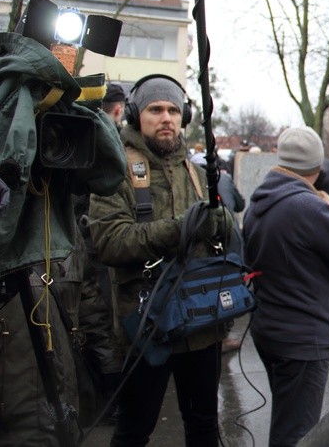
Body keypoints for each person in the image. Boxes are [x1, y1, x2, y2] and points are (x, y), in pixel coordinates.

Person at [88, 75, 233, 446]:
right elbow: (110, 242)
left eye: (172, 110)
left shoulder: (199, 173)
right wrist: (179, 229)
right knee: (133, 431)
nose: (166, 117)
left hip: (201, 327)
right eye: (155, 109)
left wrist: (225, 223)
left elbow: (223, 241)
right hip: (146, 328)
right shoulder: (116, 170)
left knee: (204, 426)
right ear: (137, 114)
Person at [243, 126, 329, 446]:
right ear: (316, 167)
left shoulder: (260, 200)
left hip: (270, 329)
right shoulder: (309, 207)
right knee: (299, 433)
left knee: (286, 420)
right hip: (301, 339)